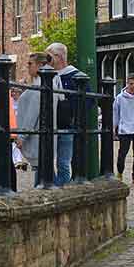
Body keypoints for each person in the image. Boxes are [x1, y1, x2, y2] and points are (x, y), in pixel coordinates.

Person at [47, 43, 78, 186]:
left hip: (66, 125)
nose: (47, 60)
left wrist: (71, 111)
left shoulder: (75, 75)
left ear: (59, 57)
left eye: (49, 56)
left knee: (63, 162)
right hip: (49, 124)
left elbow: (87, 101)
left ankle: (62, 190)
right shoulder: (47, 74)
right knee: (45, 161)